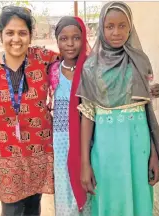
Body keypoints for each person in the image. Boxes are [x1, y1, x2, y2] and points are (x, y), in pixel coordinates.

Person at [77, 2, 159, 215]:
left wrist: (153, 154)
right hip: (106, 149)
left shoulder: (139, 62)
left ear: (130, 27)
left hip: (138, 145)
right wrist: (85, 163)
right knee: (109, 201)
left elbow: (146, 111)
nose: (116, 32)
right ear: (101, 28)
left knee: (139, 199)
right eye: (110, 26)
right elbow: (88, 115)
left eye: (123, 26)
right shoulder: (91, 67)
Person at [0, 6, 58, 216]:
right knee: (10, 206)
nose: (16, 39)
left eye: (22, 33)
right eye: (9, 33)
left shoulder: (44, 58)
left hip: (39, 145)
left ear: (31, 35)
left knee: (33, 202)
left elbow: (80, 59)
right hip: (4, 149)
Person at [48, 16, 91, 216]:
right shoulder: (52, 70)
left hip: (88, 140)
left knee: (89, 185)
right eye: (63, 39)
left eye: (76, 38)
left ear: (84, 39)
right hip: (61, 140)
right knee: (65, 187)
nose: (70, 44)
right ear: (57, 41)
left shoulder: (91, 69)